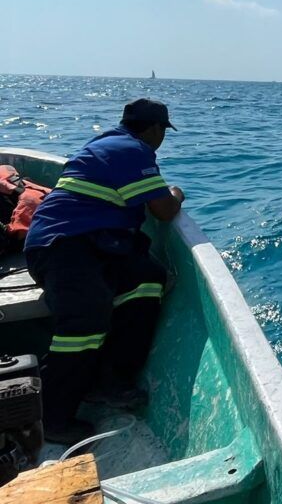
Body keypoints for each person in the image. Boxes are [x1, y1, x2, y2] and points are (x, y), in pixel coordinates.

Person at [24, 99, 185, 443]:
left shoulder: (110, 144)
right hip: (62, 245)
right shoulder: (131, 150)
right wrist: (176, 193)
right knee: (85, 320)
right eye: (163, 132)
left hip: (94, 245)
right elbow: (165, 210)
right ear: (156, 129)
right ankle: (52, 417)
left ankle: (110, 380)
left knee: (147, 278)